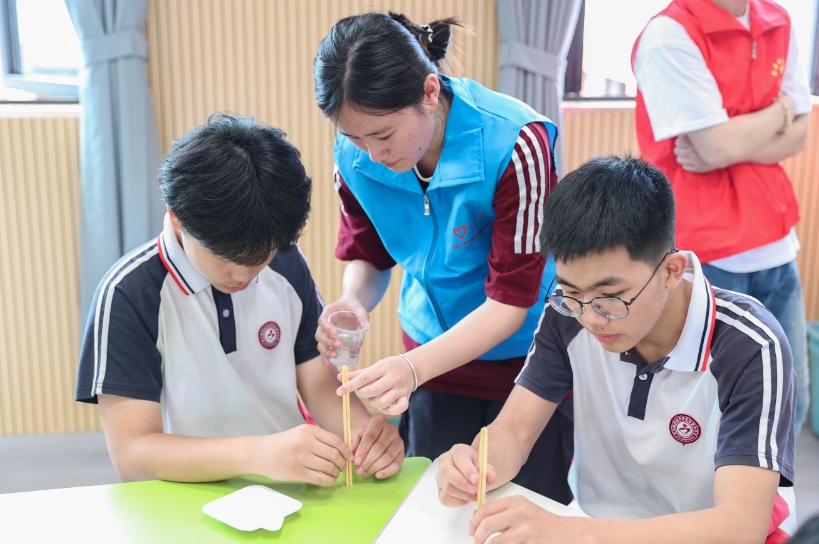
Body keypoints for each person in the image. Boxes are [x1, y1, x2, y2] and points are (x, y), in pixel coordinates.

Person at [435, 156, 797, 544]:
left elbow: (740, 525)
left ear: (671, 270)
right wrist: (476, 468)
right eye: (571, 292)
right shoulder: (567, 316)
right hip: (599, 525)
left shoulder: (750, 344)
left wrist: (573, 533)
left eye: (610, 297)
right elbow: (515, 429)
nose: (591, 319)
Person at [312, 12, 573, 502]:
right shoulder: (354, 158)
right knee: (435, 507)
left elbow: (511, 301)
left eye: (382, 136)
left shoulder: (517, 143)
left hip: (526, 363)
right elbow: (369, 255)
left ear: (429, 92)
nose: (371, 154)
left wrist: (411, 368)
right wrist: (352, 302)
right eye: (354, 137)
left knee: (522, 509)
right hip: (432, 359)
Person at [75, 114, 403, 485]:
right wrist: (257, 455)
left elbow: (320, 385)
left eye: (261, 257)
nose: (245, 275)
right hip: (183, 496)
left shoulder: (286, 263)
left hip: (287, 489)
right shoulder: (129, 293)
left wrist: (363, 437)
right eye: (227, 258)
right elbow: (133, 455)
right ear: (178, 219)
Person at [632, 0, 811, 437]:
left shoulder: (778, 20)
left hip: (775, 244)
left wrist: (733, 140)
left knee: (790, 403)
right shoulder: (669, 34)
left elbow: (799, 136)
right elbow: (715, 146)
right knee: (706, 417)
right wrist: (782, 111)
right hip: (704, 256)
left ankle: (769, 486)